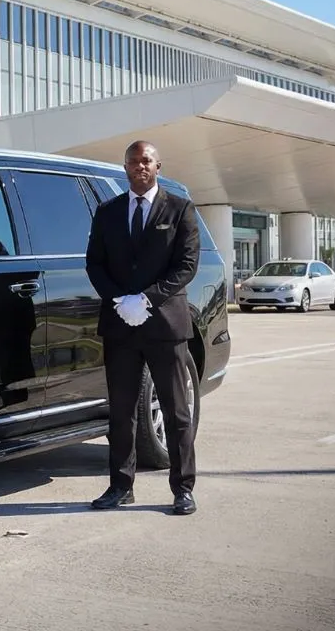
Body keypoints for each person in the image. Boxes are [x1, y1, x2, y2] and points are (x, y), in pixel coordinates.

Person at [84, 140, 201, 516]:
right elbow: (95, 264)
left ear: (158, 165)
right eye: (134, 161)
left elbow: (186, 265)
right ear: (125, 167)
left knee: (175, 410)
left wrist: (147, 299)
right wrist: (120, 300)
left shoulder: (179, 208)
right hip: (120, 325)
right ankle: (121, 485)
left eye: (146, 160)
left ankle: (182, 489)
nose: (140, 166)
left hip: (165, 323)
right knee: (121, 411)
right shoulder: (107, 211)